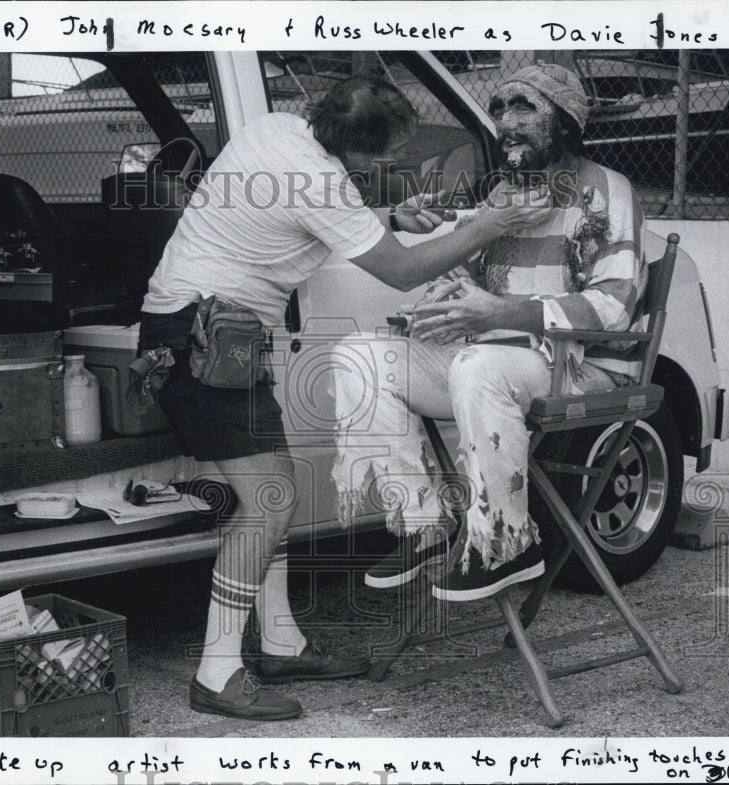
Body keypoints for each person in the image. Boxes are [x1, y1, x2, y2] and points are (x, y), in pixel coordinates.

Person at [139, 75, 551, 720]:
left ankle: (279, 642)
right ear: (353, 149)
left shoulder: (275, 129)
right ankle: (217, 674)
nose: (386, 166)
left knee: (269, 496)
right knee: (268, 501)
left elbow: (288, 212)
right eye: (381, 155)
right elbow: (404, 269)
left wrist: (387, 217)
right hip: (206, 336)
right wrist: (488, 224)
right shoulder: (326, 186)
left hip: (207, 332)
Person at [331, 63, 648, 603]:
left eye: (524, 108)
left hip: (582, 369)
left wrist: (497, 313)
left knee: (476, 366)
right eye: (499, 110)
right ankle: (422, 526)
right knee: (358, 355)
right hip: (495, 361)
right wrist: (450, 294)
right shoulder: (504, 190)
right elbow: (476, 284)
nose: (505, 122)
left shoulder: (605, 190)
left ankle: (505, 541)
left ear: (566, 122)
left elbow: (613, 306)